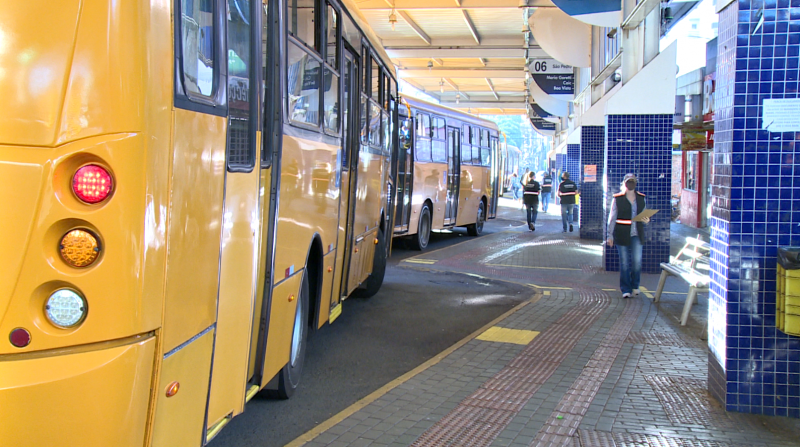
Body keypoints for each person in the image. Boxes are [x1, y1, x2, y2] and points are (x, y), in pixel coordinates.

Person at [606, 173, 651, 299]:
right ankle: (626, 289)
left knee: (637, 262)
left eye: (633, 181)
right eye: (629, 181)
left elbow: (643, 214)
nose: (631, 184)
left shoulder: (641, 198)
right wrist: (609, 235)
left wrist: (646, 219)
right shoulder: (618, 198)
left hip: (637, 233)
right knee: (624, 263)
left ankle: (635, 285)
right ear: (624, 183)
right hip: (621, 234)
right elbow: (612, 217)